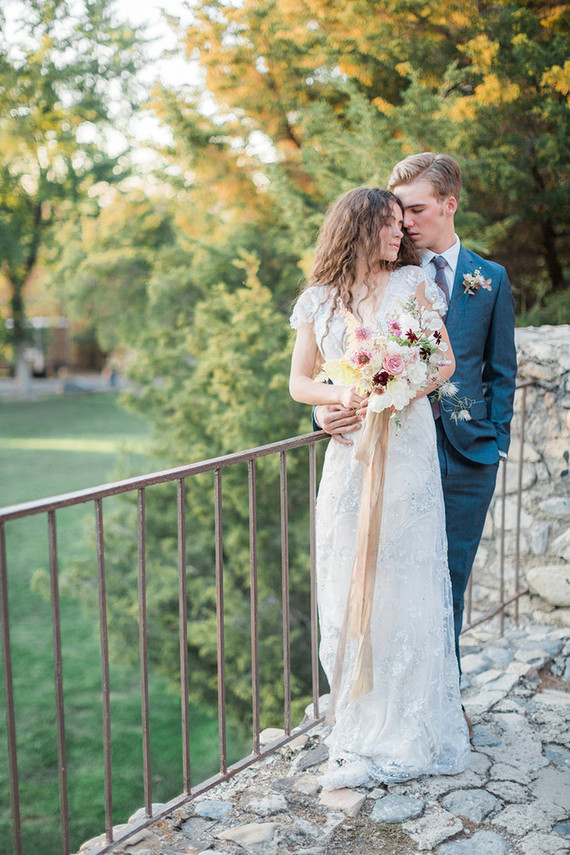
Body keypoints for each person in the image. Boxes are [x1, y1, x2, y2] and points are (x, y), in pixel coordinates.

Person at [289, 186, 470, 789]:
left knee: (408, 576)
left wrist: (401, 387)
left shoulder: (413, 287)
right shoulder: (319, 300)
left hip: (408, 449)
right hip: (350, 459)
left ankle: (413, 725)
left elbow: (442, 362)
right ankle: (360, 719)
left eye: (402, 224)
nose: (400, 235)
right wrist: (341, 395)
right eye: (389, 225)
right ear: (357, 227)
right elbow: (300, 382)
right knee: (350, 579)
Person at [315, 154, 517, 689]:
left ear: (449, 205)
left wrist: (497, 442)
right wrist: (325, 410)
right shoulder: (373, 276)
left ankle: (441, 703)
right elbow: (337, 355)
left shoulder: (488, 279)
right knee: (391, 581)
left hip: (468, 452)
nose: (403, 221)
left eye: (416, 208)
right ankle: (384, 698)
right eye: (396, 209)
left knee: (447, 580)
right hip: (390, 451)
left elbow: (501, 368)